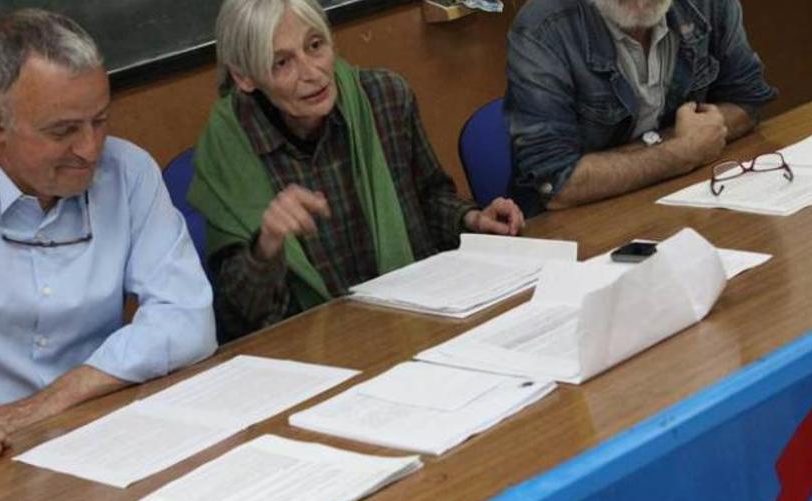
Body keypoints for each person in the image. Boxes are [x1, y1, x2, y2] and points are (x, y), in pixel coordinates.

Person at [0, 9, 216, 501]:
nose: (91, 149)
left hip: (101, 441)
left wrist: (44, 406)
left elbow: (188, 319)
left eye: (100, 120)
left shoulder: (128, 171)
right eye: (63, 130)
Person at [191, 0, 525, 342]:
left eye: (315, 45)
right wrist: (267, 246)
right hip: (314, 352)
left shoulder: (384, 98)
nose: (312, 72)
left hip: (417, 318)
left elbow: (429, 198)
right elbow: (237, 319)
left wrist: (470, 220)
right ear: (245, 77)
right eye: (282, 62)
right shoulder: (228, 154)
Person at [505, 0, 777, 214]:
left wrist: (674, 148)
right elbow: (557, 183)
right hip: (581, 228)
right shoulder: (542, 27)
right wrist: (681, 151)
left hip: (682, 200)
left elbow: (747, 100)